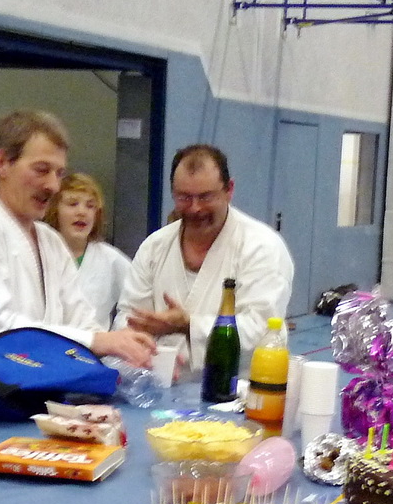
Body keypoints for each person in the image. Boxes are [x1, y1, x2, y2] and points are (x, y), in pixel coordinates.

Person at [0, 110, 154, 366]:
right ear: (1, 163)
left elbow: (81, 322)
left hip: (52, 383)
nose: (53, 186)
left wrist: (128, 350)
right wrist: (95, 340)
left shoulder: (50, 241)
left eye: (59, 173)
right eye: (42, 170)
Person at [113, 143, 293, 374]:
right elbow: (129, 317)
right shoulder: (155, 247)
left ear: (229, 190)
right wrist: (140, 352)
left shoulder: (262, 247)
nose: (195, 208)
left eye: (206, 197)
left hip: (239, 386)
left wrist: (189, 325)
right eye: (184, 197)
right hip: (159, 382)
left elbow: (260, 329)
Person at [42, 172, 131, 331]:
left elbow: (136, 303)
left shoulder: (111, 259)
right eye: (72, 204)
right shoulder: (39, 252)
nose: (82, 212)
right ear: (54, 210)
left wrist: (116, 336)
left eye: (90, 206)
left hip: (95, 345)